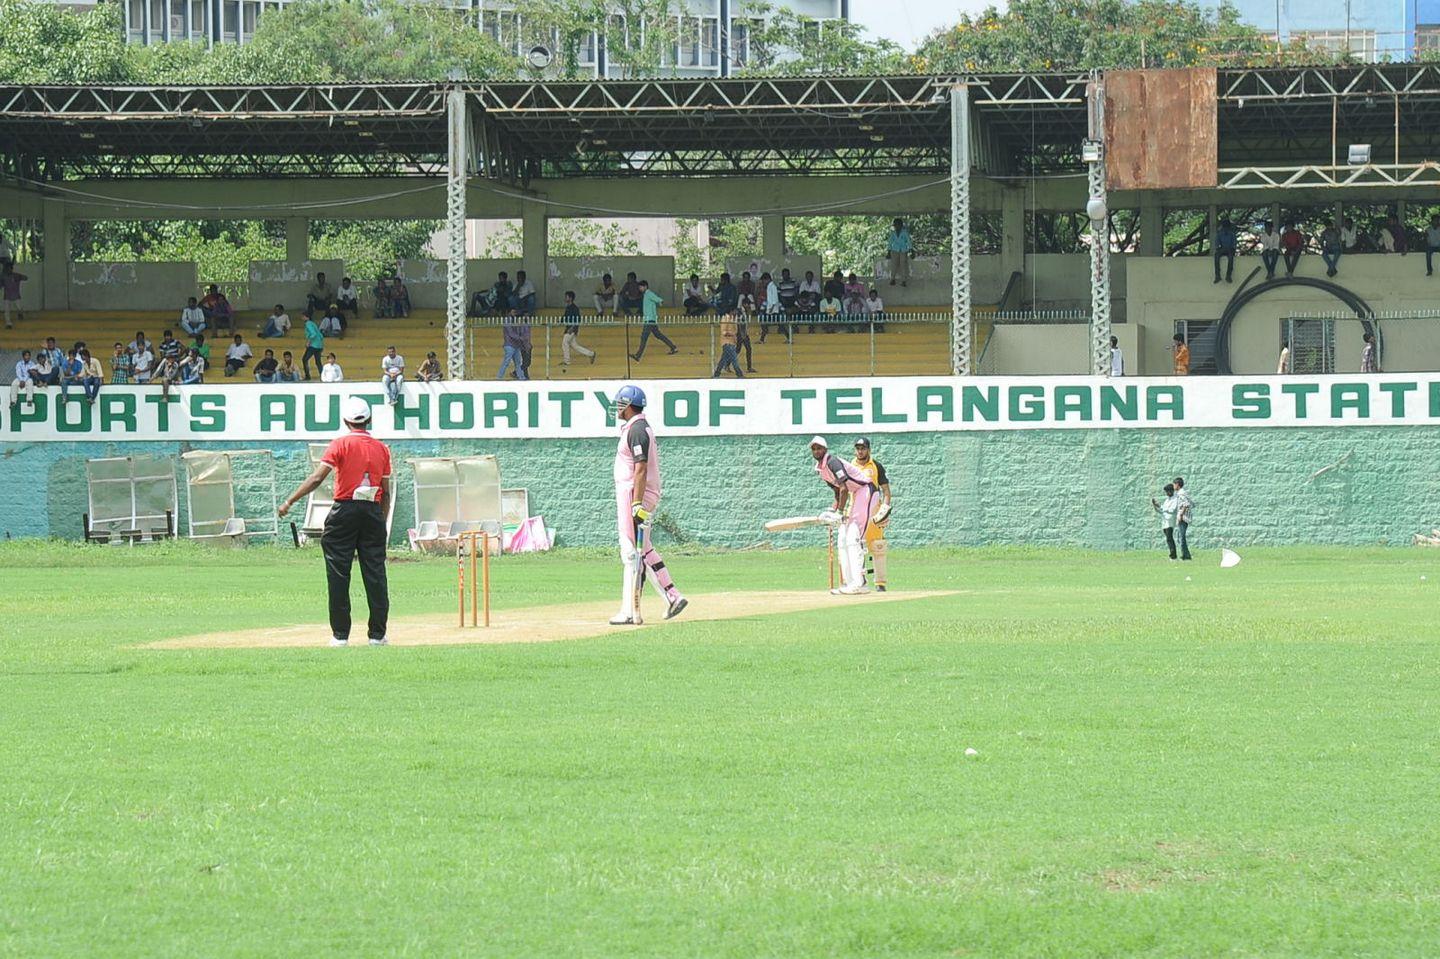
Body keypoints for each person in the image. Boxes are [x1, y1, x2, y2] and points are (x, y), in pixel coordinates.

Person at [278, 396, 392, 647]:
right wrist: (380, 521)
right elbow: (387, 490)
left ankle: (340, 636)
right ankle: (377, 635)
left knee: (339, 573)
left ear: (346, 421)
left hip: (345, 511)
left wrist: (289, 501)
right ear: (369, 420)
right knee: (375, 573)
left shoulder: (339, 444)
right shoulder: (382, 448)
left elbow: (317, 479)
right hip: (372, 510)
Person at [608, 384, 687, 625]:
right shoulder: (636, 427)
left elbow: (640, 468)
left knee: (630, 553)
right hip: (635, 493)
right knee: (644, 551)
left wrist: (636, 503)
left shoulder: (638, 430)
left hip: (633, 493)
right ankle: (673, 596)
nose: (617, 409)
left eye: (620, 404)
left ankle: (629, 611)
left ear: (629, 405)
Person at [810, 436, 882, 595]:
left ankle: (860, 584)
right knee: (842, 538)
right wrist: (833, 510)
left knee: (854, 536)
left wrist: (839, 513)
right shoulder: (820, 469)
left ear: (825, 449)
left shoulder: (832, 462)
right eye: (814, 449)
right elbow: (837, 491)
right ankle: (849, 583)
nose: (816, 451)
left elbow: (843, 488)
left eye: (819, 448)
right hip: (855, 493)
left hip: (866, 490)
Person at [851, 437, 892, 592]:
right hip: (855, 511)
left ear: (868, 449)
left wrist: (885, 509)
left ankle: (880, 583)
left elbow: (886, 491)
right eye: (858, 448)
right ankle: (859, 581)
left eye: (863, 448)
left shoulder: (876, 466)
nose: (860, 451)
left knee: (878, 547)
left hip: (874, 512)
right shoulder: (850, 466)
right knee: (855, 546)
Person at [630, 280, 676, 362]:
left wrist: (660, 301)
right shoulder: (646, 294)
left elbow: (657, 298)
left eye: (640, 287)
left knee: (644, 337)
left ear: (645, 287)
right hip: (651, 320)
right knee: (658, 335)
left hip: (649, 320)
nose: (639, 288)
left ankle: (638, 355)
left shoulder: (648, 293)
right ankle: (673, 347)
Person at [561, 290, 596, 367]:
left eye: (566, 296)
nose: (565, 298)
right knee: (575, 346)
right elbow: (564, 318)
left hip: (571, 329)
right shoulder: (568, 307)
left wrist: (572, 328)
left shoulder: (574, 308)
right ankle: (591, 354)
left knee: (564, 343)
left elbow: (578, 320)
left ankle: (567, 361)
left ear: (570, 298)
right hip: (568, 328)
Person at [1151, 484, 1179, 560]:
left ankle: (1173, 556)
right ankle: (1172, 555)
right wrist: (1156, 505)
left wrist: (1162, 507)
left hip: (1170, 521)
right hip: (1165, 521)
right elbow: (1162, 510)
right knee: (1168, 539)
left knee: (1169, 538)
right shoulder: (1167, 500)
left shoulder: (1175, 499)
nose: (1167, 493)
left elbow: (1172, 510)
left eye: (1168, 491)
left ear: (1171, 491)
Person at [498, 312, 529, 380]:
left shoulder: (516, 320)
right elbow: (511, 333)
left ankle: (521, 377)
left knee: (518, 362)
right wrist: (521, 338)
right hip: (509, 345)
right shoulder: (507, 320)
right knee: (507, 361)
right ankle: (499, 377)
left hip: (516, 345)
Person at [712, 313, 744, 378]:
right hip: (727, 342)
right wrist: (732, 333)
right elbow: (723, 332)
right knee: (734, 359)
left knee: (723, 359)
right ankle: (739, 374)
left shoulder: (734, 319)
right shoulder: (725, 318)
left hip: (732, 341)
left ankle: (716, 373)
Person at [887, 218, 914, 286]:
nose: (896, 226)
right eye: (895, 225)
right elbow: (890, 242)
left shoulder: (904, 232)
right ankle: (892, 279)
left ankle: (904, 280)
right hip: (895, 250)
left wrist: (911, 250)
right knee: (894, 265)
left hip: (903, 250)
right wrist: (888, 252)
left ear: (901, 225)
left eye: (898, 225)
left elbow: (908, 241)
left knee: (903, 264)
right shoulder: (893, 233)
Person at [1173, 476, 1194, 561]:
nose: (1173, 486)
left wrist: (1181, 514)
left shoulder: (1181, 493)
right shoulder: (1182, 493)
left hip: (1183, 518)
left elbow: (1187, 504)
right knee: (1180, 537)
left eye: (1174, 484)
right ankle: (1186, 554)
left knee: (1181, 537)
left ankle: (1185, 555)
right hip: (1183, 517)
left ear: (1177, 485)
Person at [1, 262, 26, 329]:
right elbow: (1, 285)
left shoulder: (16, 275)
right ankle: (8, 323)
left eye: (9, 268)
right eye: (6, 269)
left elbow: (25, 278)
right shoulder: (4, 277)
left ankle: (20, 313)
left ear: (11, 269)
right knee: (7, 310)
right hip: (7, 296)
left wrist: (20, 278)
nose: (7, 270)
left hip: (15, 295)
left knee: (19, 307)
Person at [1213, 217, 1237, 283]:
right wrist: (1218, 248)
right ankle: (1217, 275)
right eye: (1224, 227)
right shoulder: (1220, 234)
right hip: (1222, 248)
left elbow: (1234, 243)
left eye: (1227, 227)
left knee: (1230, 258)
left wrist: (1232, 249)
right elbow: (1217, 243)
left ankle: (1228, 275)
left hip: (1230, 249)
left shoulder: (1232, 234)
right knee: (1216, 256)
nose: (1226, 229)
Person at [302, 311, 324, 380]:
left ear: (306, 317)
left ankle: (307, 376)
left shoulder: (308, 323)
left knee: (304, 359)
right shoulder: (313, 323)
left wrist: (308, 342)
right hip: (319, 345)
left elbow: (313, 334)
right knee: (318, 362)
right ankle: (323, 376)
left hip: (313, 345)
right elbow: (320, 335)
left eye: (303, 316)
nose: (302, 318)